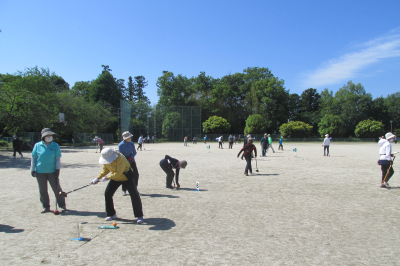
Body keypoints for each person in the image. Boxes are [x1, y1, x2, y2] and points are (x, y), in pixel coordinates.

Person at [91, 148, 144, 223]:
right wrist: (97, 178)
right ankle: (111, 214)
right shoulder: (106, 159)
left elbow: (118, 173)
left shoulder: (120, 157)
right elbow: (105, 170)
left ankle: (139, 216)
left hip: (126, 176)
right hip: (115, 178)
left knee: (134, 195)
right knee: (108, 193)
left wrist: (107, 178)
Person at [31, 128, 66, 213]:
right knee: (43, 190)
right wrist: (32, 169)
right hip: (40, 171)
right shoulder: (37, 145)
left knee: (57, 189)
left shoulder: (55, 145)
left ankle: (62, 205)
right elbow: (34, 158)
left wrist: (57, 169)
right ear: (43, 136)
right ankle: (46, 206)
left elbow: (57, 158)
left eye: (50, 135)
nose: (49, 137)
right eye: (47, 135)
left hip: (52, 171)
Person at [118, 131, 139, 196]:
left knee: (136, 174)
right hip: (124, 162)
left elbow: (135, 152)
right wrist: (126, 159)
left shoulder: (131, 143)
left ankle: (135, 188)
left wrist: (131, 157)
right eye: (129, 137)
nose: (130, 138)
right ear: (125, 138)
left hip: (132, 160)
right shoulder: (121, 145)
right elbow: (120, 154)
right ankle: (124, 189)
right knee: (125, 175)